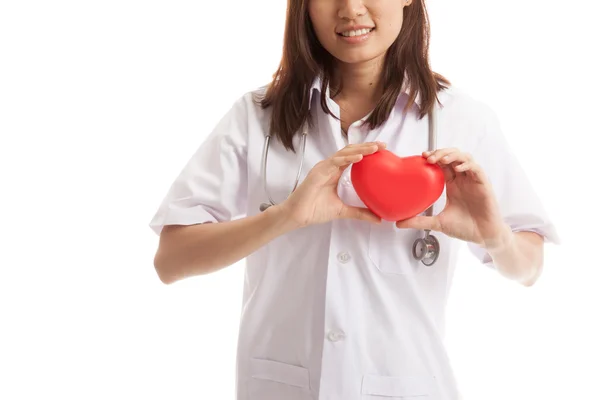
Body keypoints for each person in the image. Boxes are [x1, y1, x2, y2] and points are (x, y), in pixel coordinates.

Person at [148, 0, 559, 399]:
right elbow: (171, 260)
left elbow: (529, 267)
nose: (350, 8)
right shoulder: (257, 116)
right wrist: (285, 217)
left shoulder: (462, 119)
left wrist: (494, 237)